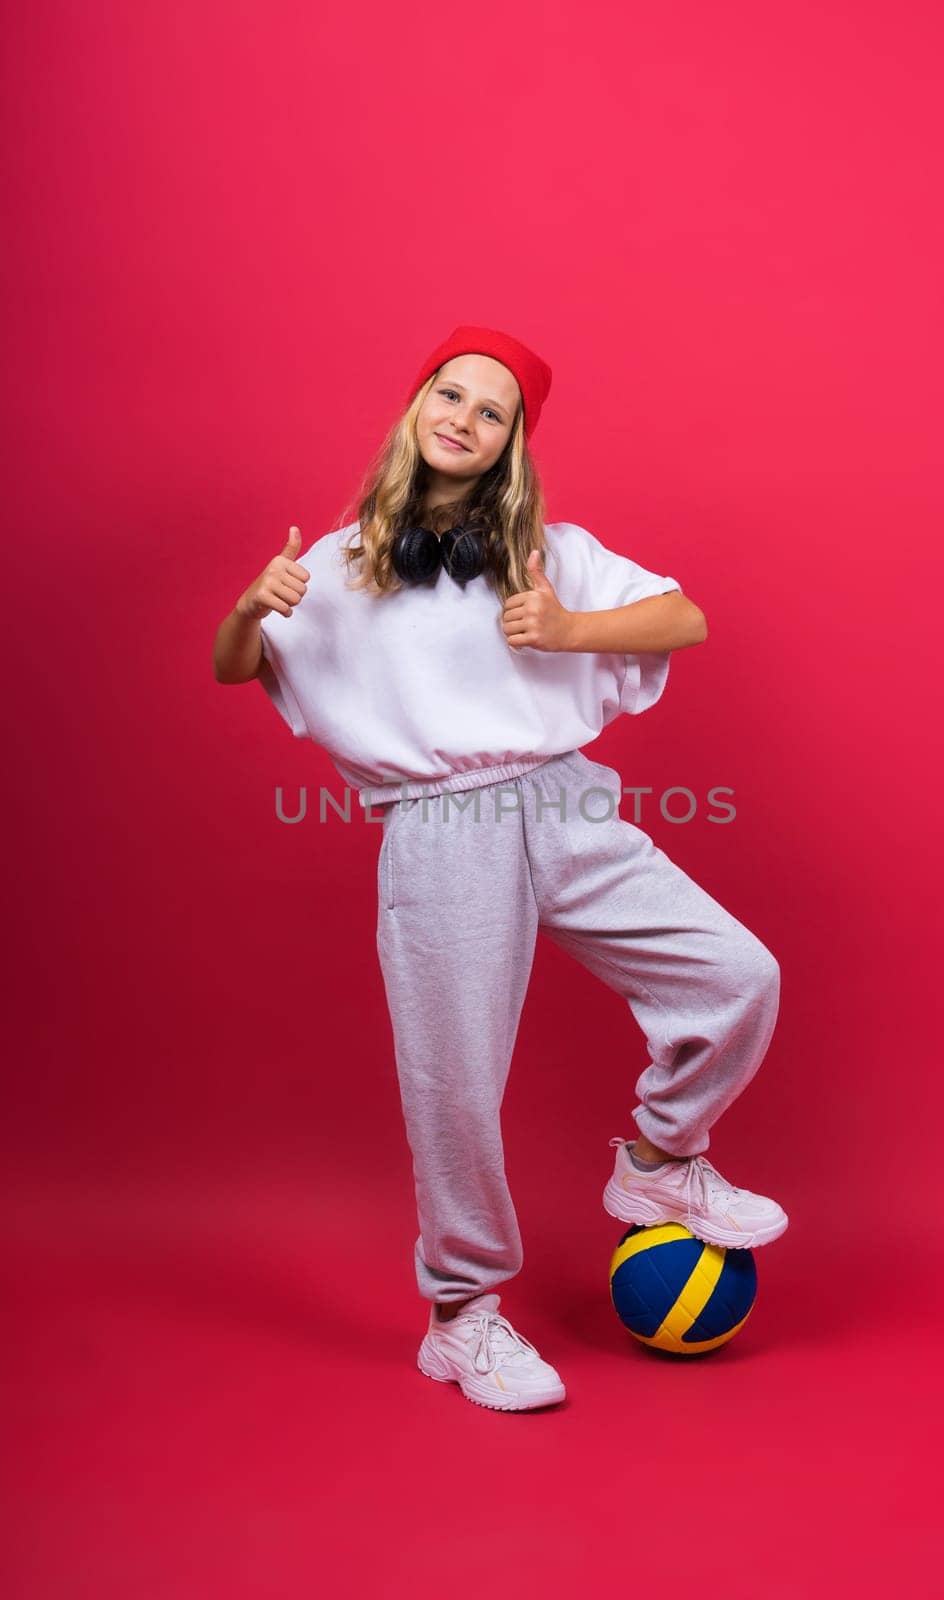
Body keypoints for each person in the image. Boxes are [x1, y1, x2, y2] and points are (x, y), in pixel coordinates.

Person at [212, 324, 786, 1413]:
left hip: (565, 802)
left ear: (511, 441)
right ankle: (460, 1316)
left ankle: (660, 1160)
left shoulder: (549, 549)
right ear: (415, 402)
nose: (462, 419)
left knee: (735, 973)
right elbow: (234, 666)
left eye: (491, 411)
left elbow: (686, 616)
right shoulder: (333, 566)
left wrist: (568, 628)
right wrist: (249, 605)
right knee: (455, 1080)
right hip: (438, 827)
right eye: (449, 394)